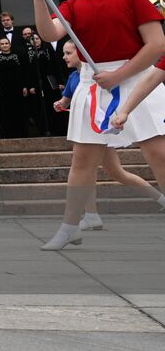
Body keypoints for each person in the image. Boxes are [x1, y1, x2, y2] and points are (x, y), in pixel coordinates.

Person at [30, 0, 165, 250]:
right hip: (94, 83)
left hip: (137, 77)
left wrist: (120, 75)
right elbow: (49, 32)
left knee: (159, 153)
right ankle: (69, 227)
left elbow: (156, 45)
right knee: (83, 161)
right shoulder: (73, 5)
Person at [53, 42, 165, 228]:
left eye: (68, 53)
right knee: (91, 169)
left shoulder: (98, 74)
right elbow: (65, 100)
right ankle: (90, 214)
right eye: (64, 53)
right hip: (92, 129)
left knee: (115, 171)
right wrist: (61, 104)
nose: (65, 57)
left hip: (108, 124)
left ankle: (159, 198)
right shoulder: (75, 78)